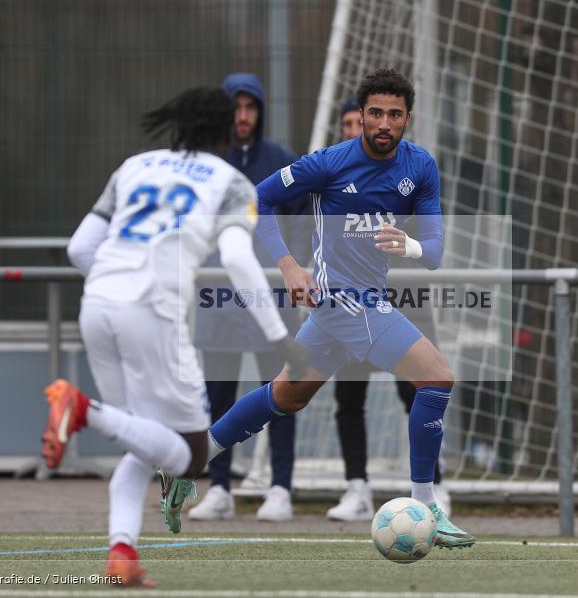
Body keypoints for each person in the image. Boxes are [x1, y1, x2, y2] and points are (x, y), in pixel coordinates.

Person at [42, 86, 308, 586]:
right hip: (152, 312)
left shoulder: (134, 166)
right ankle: (81, 409)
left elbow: (81, 248)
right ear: (227, 129)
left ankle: (122, 554)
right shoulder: (231, 182)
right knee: (189, 455)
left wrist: (112, 282)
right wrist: (279, 338)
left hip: (97, 303)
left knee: (139, 444)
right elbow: (236, 260)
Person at [204, 68, 475, 549]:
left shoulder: (421, 167)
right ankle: (427, 505)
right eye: (375, 113)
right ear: (362, 117)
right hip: (342, 299)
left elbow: (434, 253)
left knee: (286, 395)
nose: (384, 123)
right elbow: (258, 200)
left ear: (407, 118)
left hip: (361, 300)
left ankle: (188, 463)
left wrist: (409, 246)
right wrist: (288, 266)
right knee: (436, 377)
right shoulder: (329, 163)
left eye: (394, 114)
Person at [188, 73, 311, 523]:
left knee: (279, 391)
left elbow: (302, 220)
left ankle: (280, 487)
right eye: (235, 108)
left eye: (250, 108)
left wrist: (293, 267)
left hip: (269, 298)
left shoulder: (279, 160)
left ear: (259, 112)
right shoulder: (207, 162)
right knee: (216, 393)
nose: (243, 117)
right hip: (217, 296)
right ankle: (218, 486)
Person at [327, 95, 450, 521]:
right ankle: (356, 487)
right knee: (349, 396)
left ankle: (433, 487)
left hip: (405, 295)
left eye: (391, 115)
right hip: (352, 302)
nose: (355, 129)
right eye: (349, 123)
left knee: (419, 388)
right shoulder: (333, 174)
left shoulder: (411, 170)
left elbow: (432, 243)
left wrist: (408, 244)